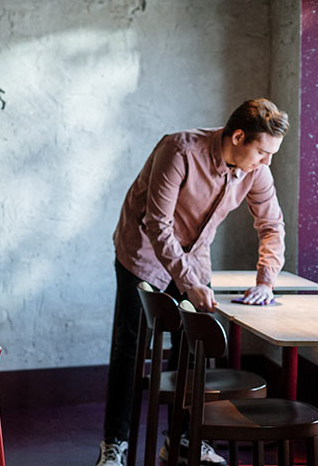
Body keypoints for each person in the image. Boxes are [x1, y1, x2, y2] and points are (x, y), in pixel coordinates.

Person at [96, 98, 288, 466]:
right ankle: (114, 444)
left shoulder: (257, 170)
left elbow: (271, 225)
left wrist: (266, 281)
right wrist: (187, 282)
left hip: (194, 254)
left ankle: (182, 439)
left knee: (191, 344)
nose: (267, 162)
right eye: (263, 152)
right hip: (143, 253)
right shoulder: (179, 149)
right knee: (130, 345)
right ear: (237, 137)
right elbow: (158, 224)